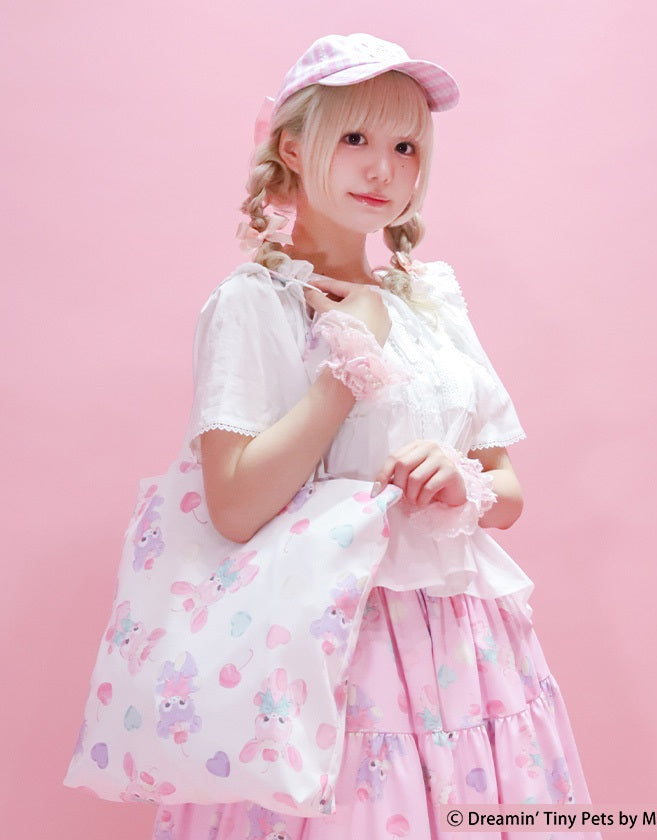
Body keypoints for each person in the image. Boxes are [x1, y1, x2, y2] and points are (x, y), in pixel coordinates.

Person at [152, 33, 600, 840]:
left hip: (468, 658)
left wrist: (461, 481)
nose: (382, 170)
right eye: (355, 137)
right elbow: (235, 506)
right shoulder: (255, 304)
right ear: (293, 148)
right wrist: (351, 360)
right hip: (329, 656)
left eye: (405, 147)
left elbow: (508, 492)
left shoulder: (431, 300)